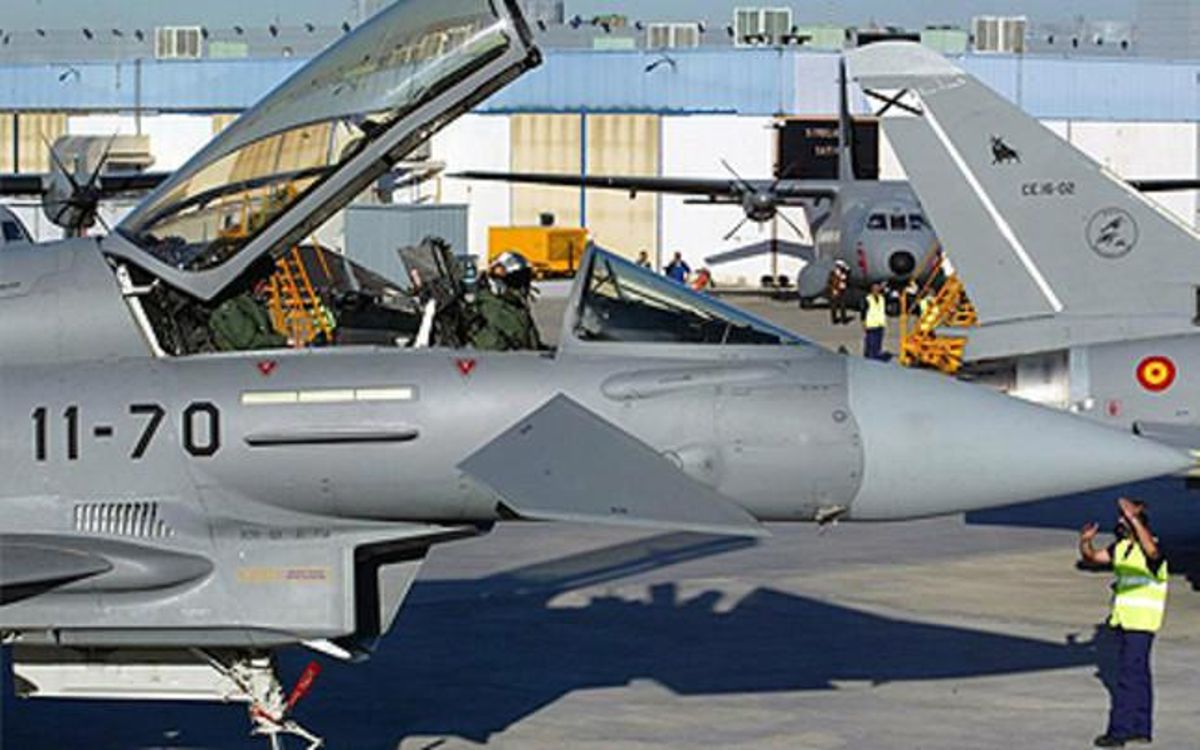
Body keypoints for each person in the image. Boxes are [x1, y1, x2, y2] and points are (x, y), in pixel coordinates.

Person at [1080, 497, 1168, 748]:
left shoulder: (1152, 551)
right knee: (1139, 676)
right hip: (1124, 622)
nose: (1120, 522)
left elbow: (1152, 551)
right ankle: (1141, 728)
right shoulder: (1121, 548)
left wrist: (1134, 517)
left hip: (1141, 624)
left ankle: (1118, 732)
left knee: (1127, 678)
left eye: (1124, 520)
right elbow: (1093, 558)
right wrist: (1085, 541)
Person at [469, 251, 544, 351]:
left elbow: (532, 347)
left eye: (525, 279)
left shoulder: (516, 309)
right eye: (516, 280)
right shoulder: (490, 310)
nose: (522, 287)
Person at [210, 278, 288, 351]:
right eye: (263, 284)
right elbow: (246, 341)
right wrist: (283, 341)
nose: (267, 289)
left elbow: (266, 331)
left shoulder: (253, 305)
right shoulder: (233, 307)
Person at [861, 282, 888, 360]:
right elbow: (863, 312)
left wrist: (884, 286)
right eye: (874, 288)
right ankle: (870, 359)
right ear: (871, 289)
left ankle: (874, 358)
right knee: (871, 344)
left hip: (880, 325)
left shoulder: (882, 298)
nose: (876, 290)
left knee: (878, 345)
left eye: (877, 288)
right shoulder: (867, 299)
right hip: (871, 325)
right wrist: (863, 323)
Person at [827, 260, 850, 325]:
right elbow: (830, 282)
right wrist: (833, 289)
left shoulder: (844, 273)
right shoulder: (833, 273)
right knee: (834, 306)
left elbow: (848, 273)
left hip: (842, 290)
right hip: (835, 290)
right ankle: (834, 319)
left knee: (843, 305)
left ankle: (843, 319)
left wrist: (846, 269)